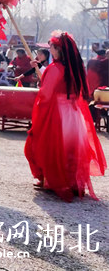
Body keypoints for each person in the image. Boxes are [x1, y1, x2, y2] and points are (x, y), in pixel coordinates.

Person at [24, 31, 106, 201]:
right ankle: (70, 182)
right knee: (69, 149)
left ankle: (51, 181)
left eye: (52, 48)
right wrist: (38, 70)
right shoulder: (74, 68)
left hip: (56, 113)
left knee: (49, 146)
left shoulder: (55, 68)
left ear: (58, 50)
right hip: (72, 114)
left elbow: (46, 94)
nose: (50, 51)